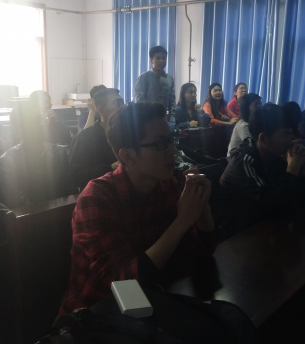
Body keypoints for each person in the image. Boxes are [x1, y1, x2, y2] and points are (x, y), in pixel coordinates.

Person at [60, 102, 215, 313]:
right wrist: (182, 222)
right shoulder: (96, 199)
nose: (173, 151)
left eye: (170, 140)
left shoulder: (167, 184)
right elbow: (125, 281)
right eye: (161, 144)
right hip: (96, 315)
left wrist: (201, 204)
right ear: (127, 156)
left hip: (154, 302)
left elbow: (201, 251)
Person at [220, 103, 305, 223]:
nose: (292, 140)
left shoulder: (277, 156)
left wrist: (303, 170)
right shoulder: (244, 162)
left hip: (266, 225)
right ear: (263, 139)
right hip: (241, 229)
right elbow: (272, 206)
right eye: (286, 134)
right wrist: (293, 169)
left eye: (292, 133)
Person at [0, 103, 74, 208]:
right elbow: (17, 201)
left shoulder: (60, 153)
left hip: (62, 211)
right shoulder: (8, 161)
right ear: (17, 128)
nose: (40, 125)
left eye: (41, 120)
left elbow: (70, 193)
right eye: (32, 122)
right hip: (31, 216)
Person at [70, 88, 124, 190]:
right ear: (101, 110)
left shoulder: (129, 132)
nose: (122, 107)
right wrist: (110, 168)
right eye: (116, 103)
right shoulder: (86, 137)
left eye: (122, 102)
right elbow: (77, 176)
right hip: (100, 191)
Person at [134, 46, 175, 121]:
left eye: (164, 58)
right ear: (151, 60)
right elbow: (140, 101)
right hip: (147, 118)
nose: (161, 61)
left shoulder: (170, 79)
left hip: (164, 119)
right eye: (158, 58)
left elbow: (172, 102)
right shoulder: (144, 77)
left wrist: (172, 119)